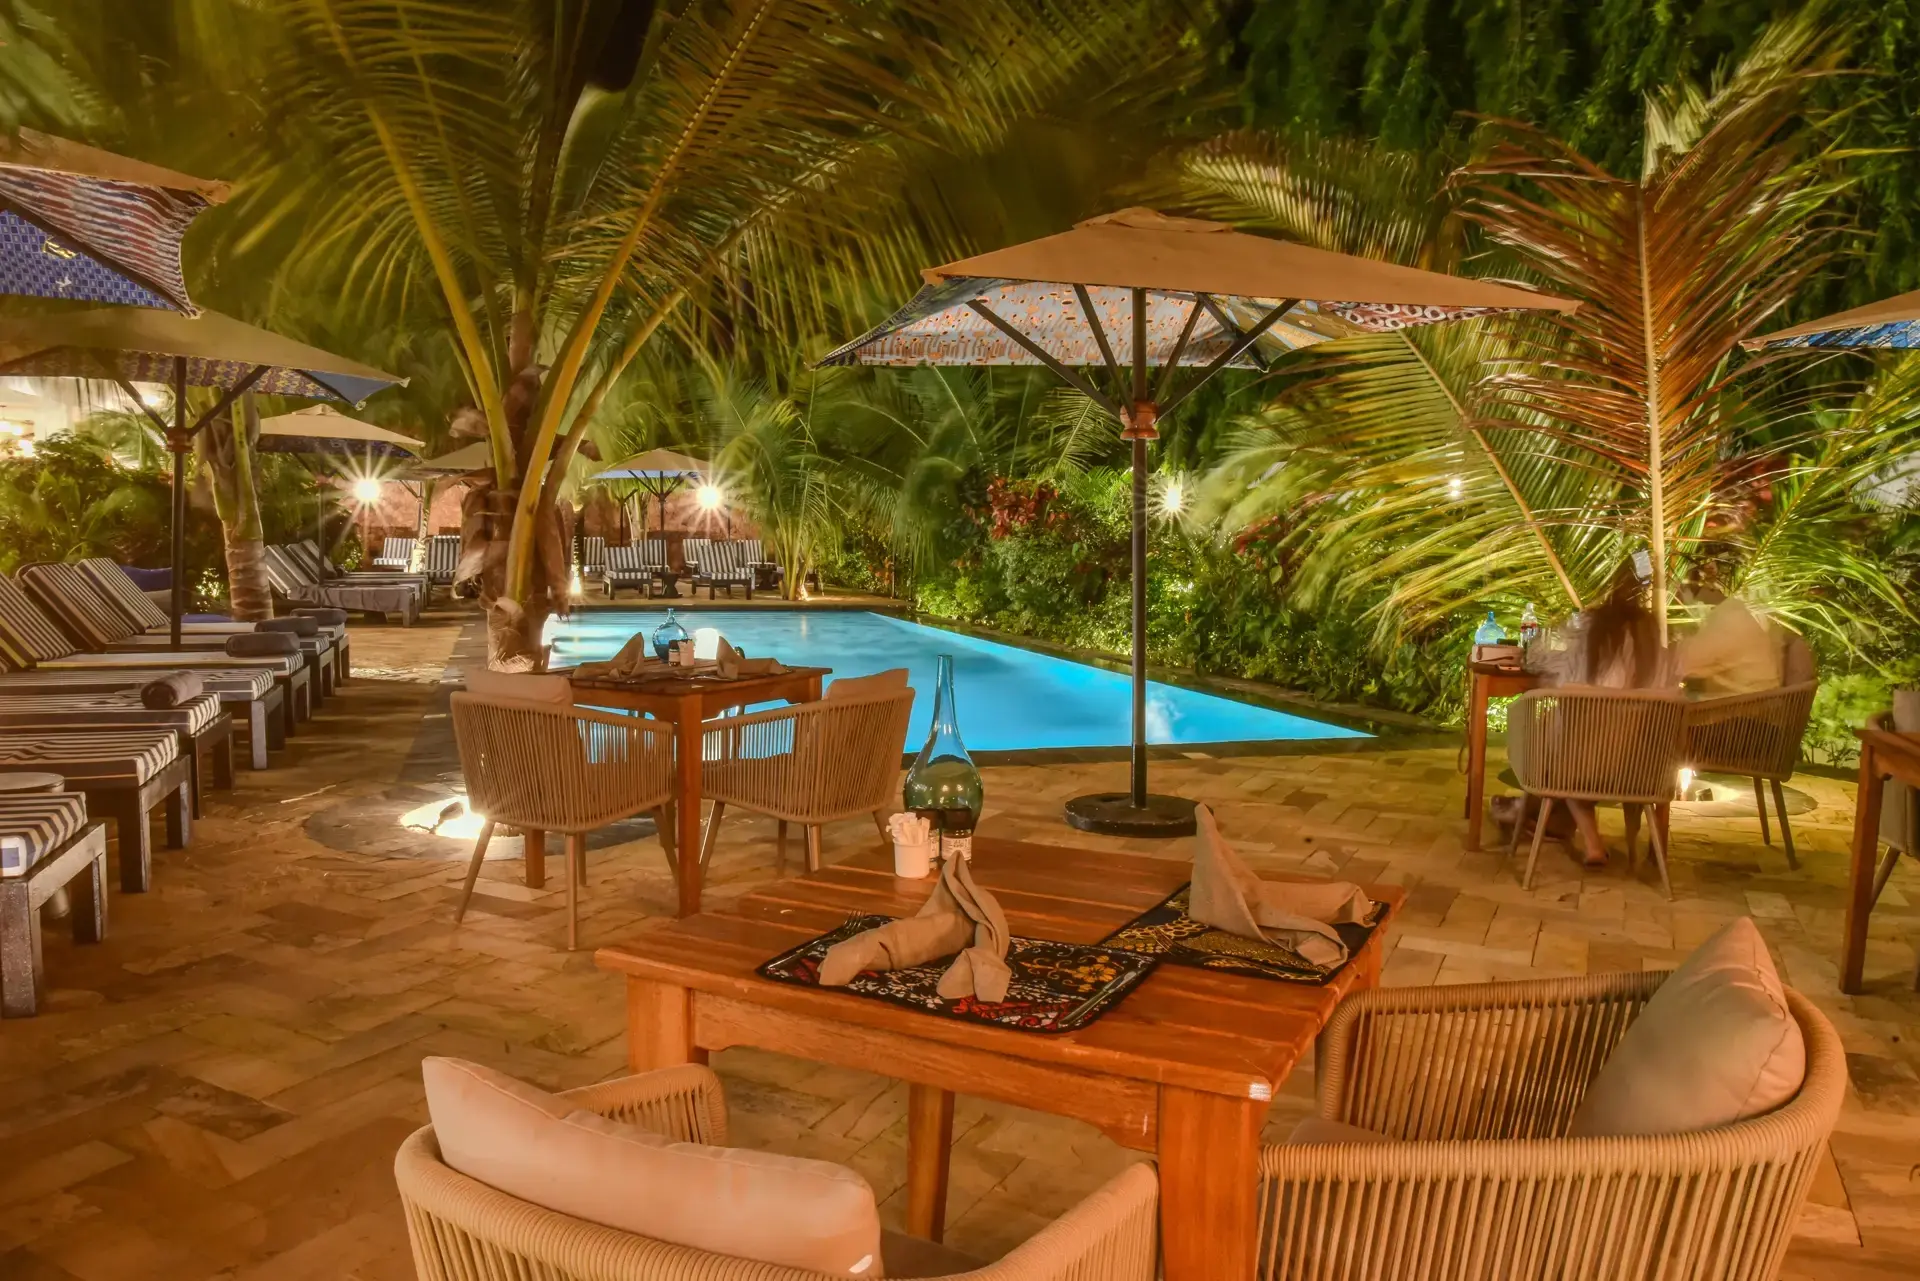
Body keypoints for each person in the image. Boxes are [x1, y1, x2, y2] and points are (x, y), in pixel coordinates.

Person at [1535, 565, 1678, 866]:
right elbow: (1669, 689)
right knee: (1578, 750)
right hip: (1639, 769)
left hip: (1581, 766)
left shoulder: (1592, 629)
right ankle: (1639, 841)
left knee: (1560, 754)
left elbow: (1560, 681)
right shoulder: (1655, 641)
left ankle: (1592, 843)